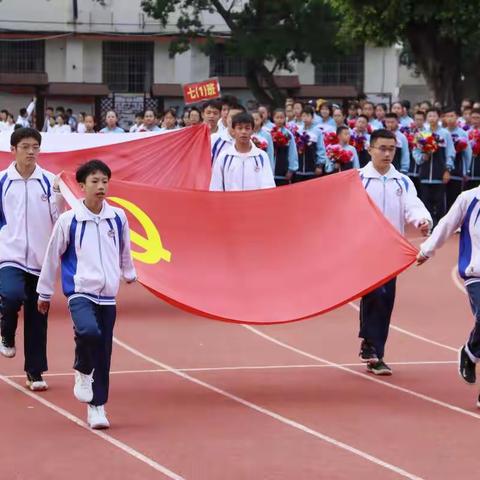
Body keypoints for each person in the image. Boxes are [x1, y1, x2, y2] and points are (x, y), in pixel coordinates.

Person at [37, 160, 136, 429]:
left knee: (104, 352)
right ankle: (82, 369)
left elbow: (124, 248)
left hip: (108, 295)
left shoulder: (117, 217)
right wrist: (44, 293)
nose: (101, 186)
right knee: (89, 332)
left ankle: (97, 406)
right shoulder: (69, 220)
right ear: (81, 186)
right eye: (94, 181)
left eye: (104, 181)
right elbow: (51, 256)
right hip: (80, 291)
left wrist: (128, 271)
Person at [358, 129, 431, 375]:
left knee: (385, 298)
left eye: (392, 149)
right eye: (382, 148)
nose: (387, 153)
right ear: (370, 149)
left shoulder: (402, 181)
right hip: (365, 248)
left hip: (392, 249)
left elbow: (413, 206)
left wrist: (422, 221)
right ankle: (372, 348)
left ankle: (373, 348)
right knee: (375, 292)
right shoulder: (358, 180)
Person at [0, 128, 64, 391]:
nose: (30, 152)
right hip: (9, 255)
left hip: (40, 258)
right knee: (12, 295)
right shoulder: (2, 181)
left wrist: (59, 195)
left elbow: (57, 217)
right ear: (13, 149)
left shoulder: (48, 181)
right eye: (25, 146)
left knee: (38, 315)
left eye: (35, 147)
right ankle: (6, 332)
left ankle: (34, 371)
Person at [417, 186, 480, 407]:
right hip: (476, 273)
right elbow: (446, 224)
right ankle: (472, 351)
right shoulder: (469, 198)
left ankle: (471, 352)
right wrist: (427, 250)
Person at [210, 112, 275, 191]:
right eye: (240, 128)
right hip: (230, 202)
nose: (243, 132)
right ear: (233, 130)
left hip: (255, 202)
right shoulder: (223, 157)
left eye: (247, 128)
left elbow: (268, 186)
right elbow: (216, 187)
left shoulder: (262, 156)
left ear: (252, 131)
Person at [413, 107, 455, 226]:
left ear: (439, 117)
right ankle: (429, 225)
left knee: (440, 202)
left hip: (440, 174)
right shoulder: (421, 134)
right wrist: (422, 157)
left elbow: (450, 153)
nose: (432, 118)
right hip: (425, 174)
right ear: (427, 118)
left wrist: (447, 170)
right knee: (426, 201)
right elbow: (415, 152)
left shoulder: (445, 134)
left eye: (434, 116)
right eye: (429, 116)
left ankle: (440, 226)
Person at [443, 107, 472, 210]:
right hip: (443, 173)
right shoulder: (442, 133)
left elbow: (467, 154)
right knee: (443, 201)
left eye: (452, 116)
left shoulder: (462, 133)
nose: (449, 119)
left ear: (457, 117)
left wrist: (466, 171)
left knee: (455, 201)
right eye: (447, 116)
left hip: (457, 172)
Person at [295, 105, 327, 181]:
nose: (305, 118)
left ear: (312, 118)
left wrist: (319, 165)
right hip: (298, 170)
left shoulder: (317, 132)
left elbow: (321, 149)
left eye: (308, 116)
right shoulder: (297, 131)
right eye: (303, 116)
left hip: (312, 170)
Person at [271, 108, 298, 186]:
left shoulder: (288, 134)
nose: (279, 120)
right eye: (277, 117)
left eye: (281, 117)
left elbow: (292, 152)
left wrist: (291, 169)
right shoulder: (269, 133)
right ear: (273, 118)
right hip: (270, 171)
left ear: (285, 118)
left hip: (283, 169)